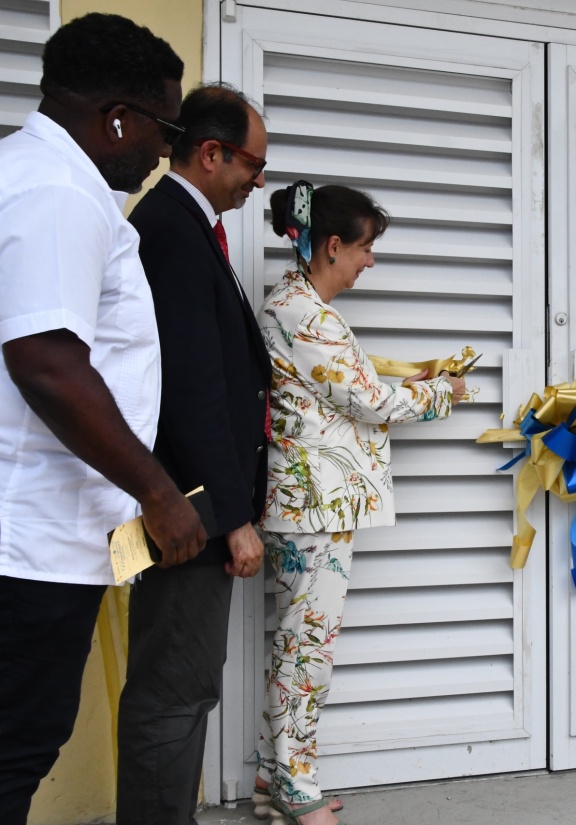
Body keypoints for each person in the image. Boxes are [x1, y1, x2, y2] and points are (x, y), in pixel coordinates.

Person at [0, 14, 207, 825]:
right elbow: (48, 361)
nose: (164, 151)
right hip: (31, 537)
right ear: (119, 117)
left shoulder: (26, 172)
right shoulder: (59, 190)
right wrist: (159, 493)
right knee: (17, 744)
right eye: (165, 127)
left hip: (39, 531)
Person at [255, 182, 467, 825]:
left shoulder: (300, 308)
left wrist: (411, 379)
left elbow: (352, 386)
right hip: (313, 507)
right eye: (366, 247)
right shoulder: (304, 313)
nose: (370, 261)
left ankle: (275, 779)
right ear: (334, 244)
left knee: (301, 644)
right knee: (306, 650)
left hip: (316, 504)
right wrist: (445, 393)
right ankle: (295, 786)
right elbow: (370, 402)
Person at [115, 83, 272, 825]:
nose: (259, 181)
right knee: (173, 689)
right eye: (253, 163)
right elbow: (191, 387)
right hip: (191, 509)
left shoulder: (188, 225)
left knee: (185, 684)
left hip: (199, 504)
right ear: (210, 154)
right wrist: (232, 516)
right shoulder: (172, 230)